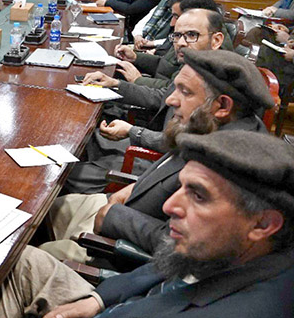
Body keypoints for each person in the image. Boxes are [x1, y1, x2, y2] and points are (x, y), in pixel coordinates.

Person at [0, 129, 294, 318]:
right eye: (182, 187)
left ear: (263, 224)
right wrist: (97, 299)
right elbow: (166, 271)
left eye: (199, 196)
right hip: (110, 310)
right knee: (14, 256)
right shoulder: (236, 250)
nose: (171, 206)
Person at [41, 48, 272, 263]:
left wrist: (115, 216)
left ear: (222, 105)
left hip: (119, 246)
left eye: (185, 92)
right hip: (127, 204)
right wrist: (130, 191)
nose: (171, 100)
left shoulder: (227, 165)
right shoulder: (210, 126)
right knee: (49, 211)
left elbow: (192, 246)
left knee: (35, 256)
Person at [68, 9, 226, 194]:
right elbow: (161, 97)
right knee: (89, 137)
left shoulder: (216, 83)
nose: (181, 43)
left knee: (67, 174)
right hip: (158, 143)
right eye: (177, 35)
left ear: (216, 40)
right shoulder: (193, 66)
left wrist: (133, 131)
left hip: (165, 165)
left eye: (192, 35)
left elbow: (183, 142)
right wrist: (114, 84)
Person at [113, 0, 224, 89]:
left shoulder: (208, 46)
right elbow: (167, 65)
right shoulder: (185, 35)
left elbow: (171, 89)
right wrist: (136, 57)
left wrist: (138, 80)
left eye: (177, 16)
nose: (172, 23)